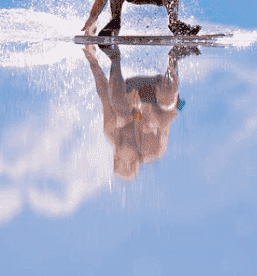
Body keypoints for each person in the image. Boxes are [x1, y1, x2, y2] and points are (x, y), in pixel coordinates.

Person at [82, 42, 196, 178]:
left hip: (132, 88)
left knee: (120, 109)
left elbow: (104, 94)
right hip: (160, 96)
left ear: (116, 156)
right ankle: (174, 55)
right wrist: (141, 113)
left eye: (123, 162)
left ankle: (114, 54)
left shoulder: (111, 130)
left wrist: (91, 58)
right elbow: (168, 117)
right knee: (173, 103)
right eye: (132, 164)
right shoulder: (153, 149)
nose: (130, 161)